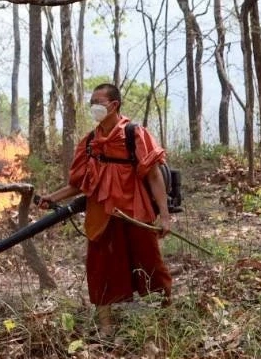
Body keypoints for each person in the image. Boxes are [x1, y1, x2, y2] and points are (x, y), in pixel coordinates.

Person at [39, 83, 173, 334]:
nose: (94, 107)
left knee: (151, 264)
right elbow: (77, 184)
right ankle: (106, 328)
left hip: (135, 213)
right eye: (92, 102)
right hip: (101, 216)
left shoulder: (136, 135)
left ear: (114, 105)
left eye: (98, 102)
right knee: (99, 268)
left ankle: (165, 320)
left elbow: (154, 177)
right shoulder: (90, 142)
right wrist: (51, 197)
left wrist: (165, 217)